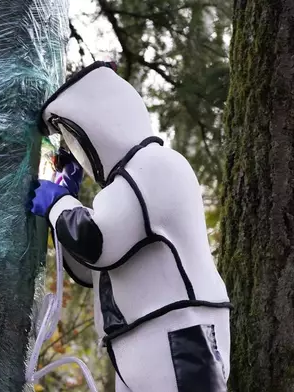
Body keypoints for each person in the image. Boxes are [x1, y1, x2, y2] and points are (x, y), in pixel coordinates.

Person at [30, 61, 232, 392]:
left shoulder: (156, 166)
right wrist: (64, 211)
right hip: (141, 346)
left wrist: (59, 205)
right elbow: (91, 269)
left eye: (74, 140)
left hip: (180, 340)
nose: (76, 154)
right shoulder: (126, 186)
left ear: (96, 129)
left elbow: (97, 243)